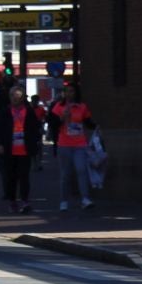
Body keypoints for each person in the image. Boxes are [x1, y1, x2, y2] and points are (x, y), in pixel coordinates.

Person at [51, 80, 93, 212]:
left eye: (72, 91)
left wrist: (96, 127)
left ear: (76, 93)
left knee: (81, 170)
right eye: (67, 91)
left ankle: (85, 199)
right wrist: (62, 118)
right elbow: (52, 124)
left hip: (80, 144)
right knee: (66, 174)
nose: (69, 94)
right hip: (64, 144)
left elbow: (88, 122)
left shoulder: (82, 107)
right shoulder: (58, 107)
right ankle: (64, 200)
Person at [0, 85, 42, 212]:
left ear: (23, 98)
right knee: (11, 177)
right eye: (12, 96)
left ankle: (24, 201)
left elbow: (35, 128)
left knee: (24, 176)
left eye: (18, 96)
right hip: (9, 149)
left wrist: (34, 142)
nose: (15, 99)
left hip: (24, 149)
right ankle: (12, 201)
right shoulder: (5, 112)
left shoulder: (28, 112)